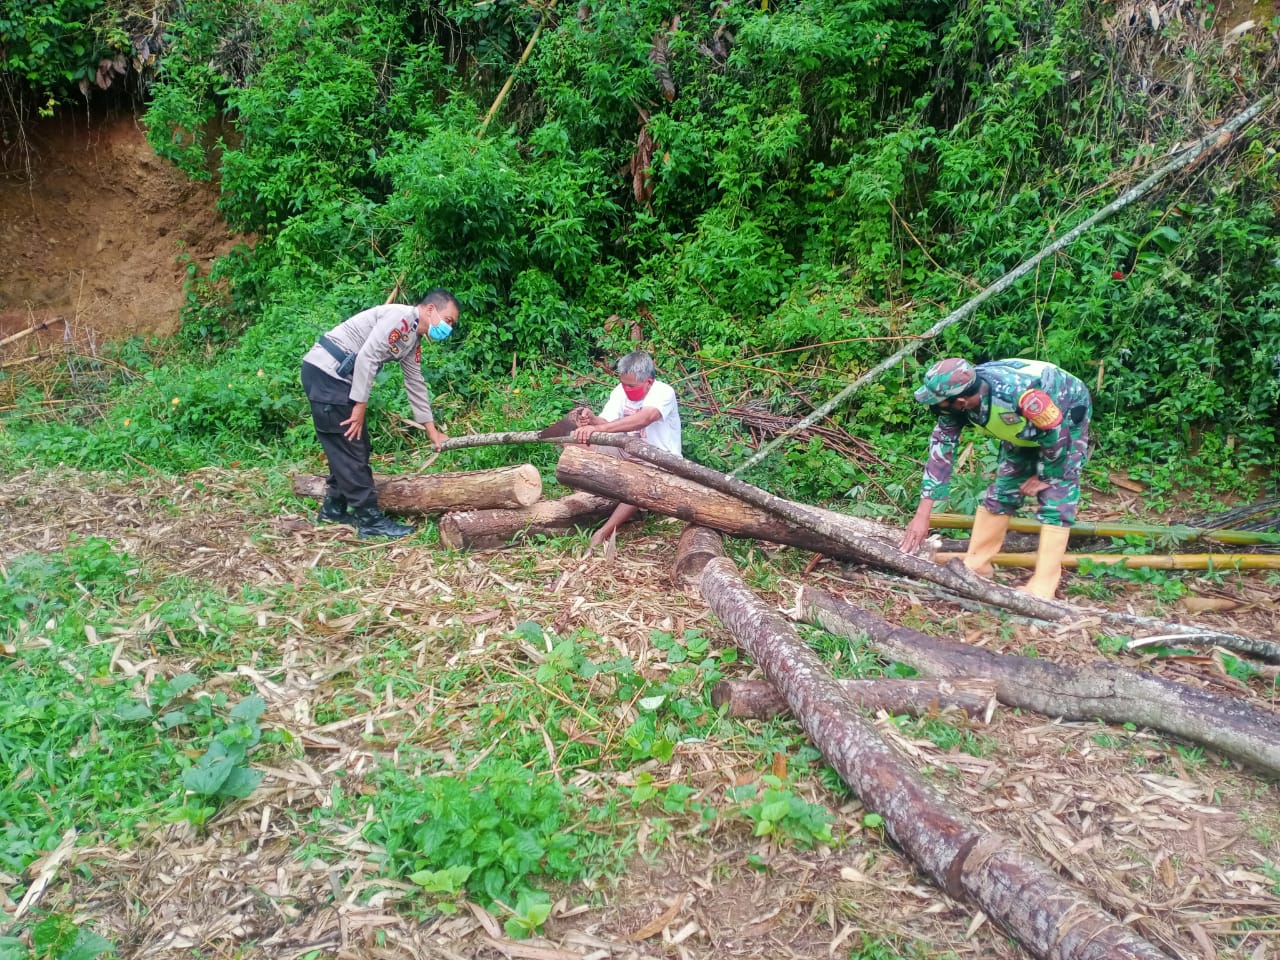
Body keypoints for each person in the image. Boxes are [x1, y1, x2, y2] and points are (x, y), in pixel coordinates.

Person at [898, 357, 1092, 599]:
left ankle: (1042, 588)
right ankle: (976, 566)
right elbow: (941, 452)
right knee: (1004, 489)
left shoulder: (1022, 396)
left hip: (1065, 409)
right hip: (1021, 428)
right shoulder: (958, 401)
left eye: (938, 403)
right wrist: (922, 515)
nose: (935, 408)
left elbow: (1056, 432)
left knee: (1057, 495)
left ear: (960, 402)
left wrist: (1048, 475)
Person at [300, 289, 459, 539]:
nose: (449, 328)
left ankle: (333, 510)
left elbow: (415, 382)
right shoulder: (401, 318)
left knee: (351, 445)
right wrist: (359, 406)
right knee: (352, 446)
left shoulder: (412, 338)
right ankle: (370, 521)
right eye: (448, 320)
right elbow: (367, 357)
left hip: (338, 379)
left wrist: (432, 431)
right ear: (430, 309)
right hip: (328, 374)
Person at [573, 350, 682, 548]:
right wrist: (592, 420)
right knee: (576, 442)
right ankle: (595, 498)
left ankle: (603, 533)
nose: (626, 389)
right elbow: (607, 422)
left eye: (631, 385)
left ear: (648, 382)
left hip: (658, 460)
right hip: (626, 450)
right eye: (623, 383)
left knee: (640, 482)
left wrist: (599, 428)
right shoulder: (620, 390)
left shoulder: (664, 392)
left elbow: (644, 418)